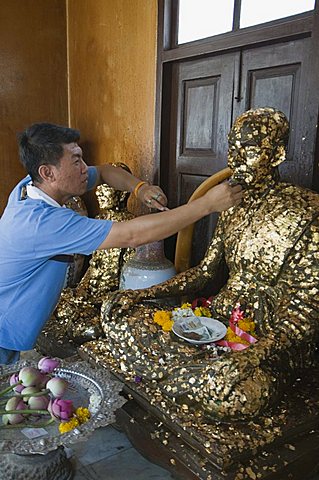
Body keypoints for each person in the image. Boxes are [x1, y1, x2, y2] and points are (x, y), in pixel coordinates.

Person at [82, 107, 319, 420]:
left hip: (267, 344)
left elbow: (308, 309)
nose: (237, 159)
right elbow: (206, 272)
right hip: (214, 321)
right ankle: (191, 378)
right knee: (123, 319)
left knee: (237, 395)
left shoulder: (307, 211)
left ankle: (173, 375)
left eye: (250, 149)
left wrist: (253, 356)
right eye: (233, 149)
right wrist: (142, 294)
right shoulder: (232, 205)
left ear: (277, 154)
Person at [0, 122, 242, 365]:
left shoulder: (29, 188)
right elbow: (132, 236)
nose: (85, 168)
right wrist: (205, 205)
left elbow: (105, 172)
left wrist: (140, 188)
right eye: (76, 161)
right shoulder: (43, 223)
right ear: (47, 173)